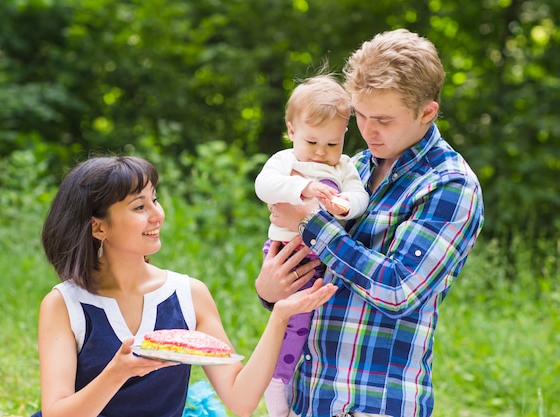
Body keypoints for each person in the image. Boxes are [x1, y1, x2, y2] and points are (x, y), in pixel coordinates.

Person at [255, 29, 485, 417]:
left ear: (426, 112)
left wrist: (312, 221)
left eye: (383, 119)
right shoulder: (355, 168)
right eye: (359, 115)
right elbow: (317, 273)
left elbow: (399, 291)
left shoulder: (449, 185)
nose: (367, 130)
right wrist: (270, 288)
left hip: (371, 403)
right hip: (308, 397)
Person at [30, 155, 337, 417]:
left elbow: (240, 400)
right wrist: (118, 371)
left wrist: (280, 316)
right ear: (99, 226)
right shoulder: (65, 304)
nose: (157, 215)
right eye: (139, 207)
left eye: (155, 199)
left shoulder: (188, 294)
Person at [254, 74, 369, 417]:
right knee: (291, 324)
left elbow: (359, 194)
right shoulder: (285, 161)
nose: (321, 152)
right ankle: (276, 387)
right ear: (291, 129)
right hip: (286, 253)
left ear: (344, 136)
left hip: (324, 261)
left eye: (332, 144)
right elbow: (265, 186)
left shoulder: (345, 165)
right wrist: (302, 190)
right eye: (312, 141)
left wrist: (346, 205)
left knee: (312, 327)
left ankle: (294, 388)